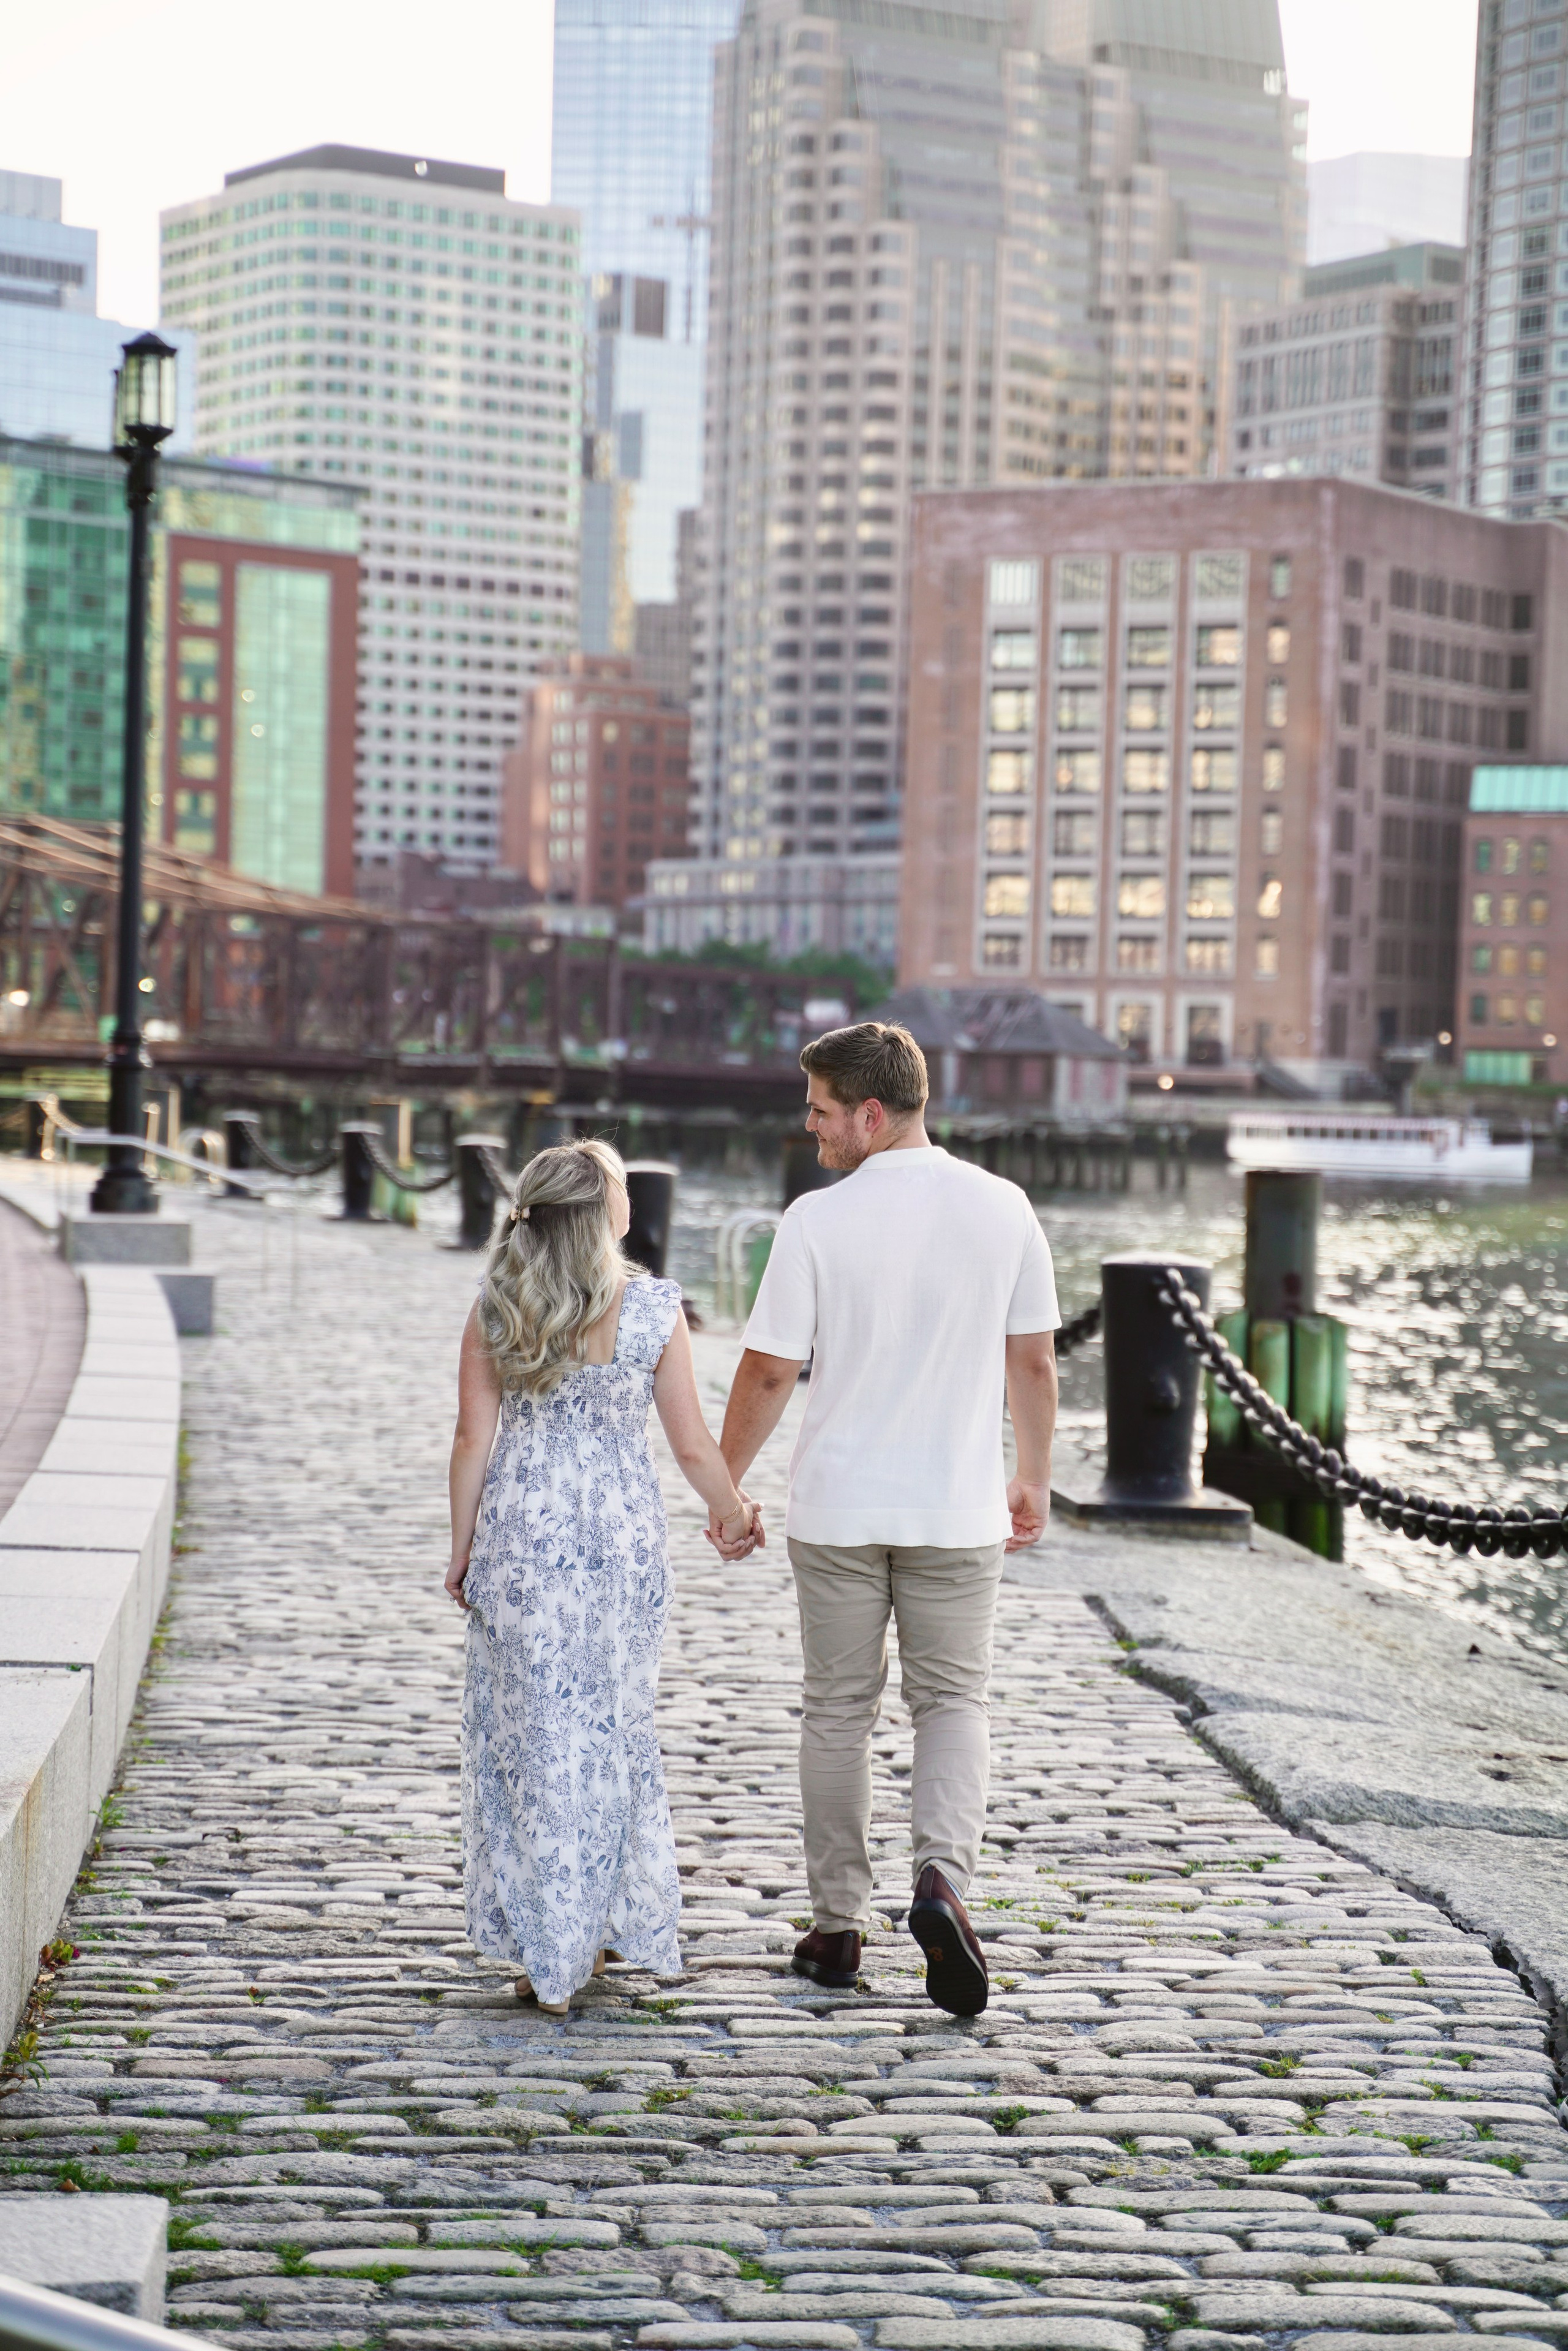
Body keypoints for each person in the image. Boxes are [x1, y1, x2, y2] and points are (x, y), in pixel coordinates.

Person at [713, 1022, 1059, 2017]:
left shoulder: (819, 1221)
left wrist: (726, 1486)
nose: (808, 1123)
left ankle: (835, 1930)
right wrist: (1031, 1473)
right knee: (953, 1703)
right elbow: (1032, 1361)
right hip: (957, 1507)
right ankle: (943, 1881)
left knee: (839, 1711)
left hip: (840, 1507)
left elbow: (771, 1369)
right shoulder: (1004, 1209)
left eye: (819, 1107)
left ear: (870, 1113)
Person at [445, 1138, 759, 2017]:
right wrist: (734, 1515)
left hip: (522, 1538)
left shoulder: (498, 1303)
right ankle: (599, 1924)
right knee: (612, 1729)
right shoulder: (655, 1309)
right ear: (606, 1212)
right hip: (618, 1542)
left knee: (533, 1739)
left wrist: (461, 1547)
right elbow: (692, 1444)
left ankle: (546, 1939)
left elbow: (473, 1441)